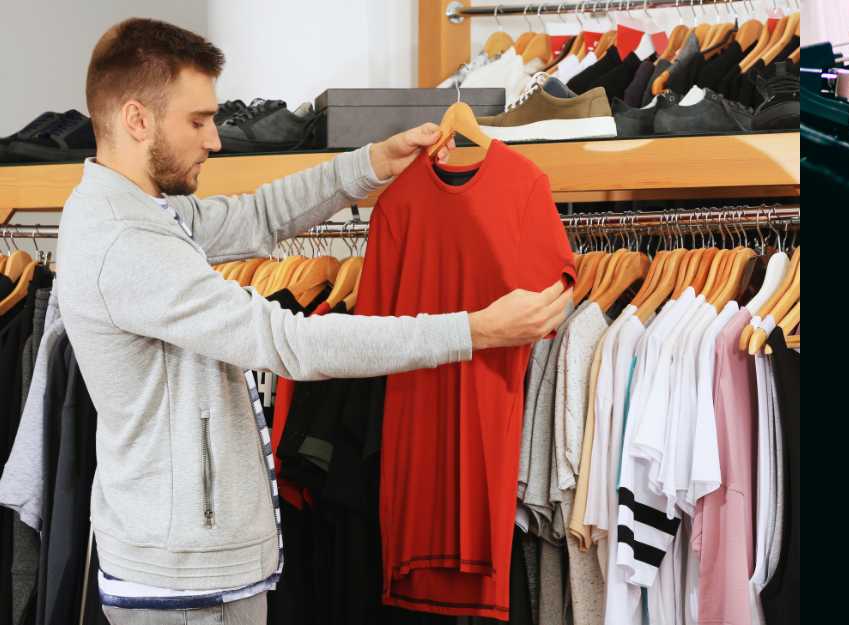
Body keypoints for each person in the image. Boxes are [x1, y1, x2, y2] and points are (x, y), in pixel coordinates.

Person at [52, 18, 571, 624]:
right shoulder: (125, 244)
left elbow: (257, 216)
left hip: (196, 563)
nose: (215, 140)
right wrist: (473, 331)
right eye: (198, 121)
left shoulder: (140, 212)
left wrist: (369, 164)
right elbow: (288, 341)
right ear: (137, 119)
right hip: (186, 583)